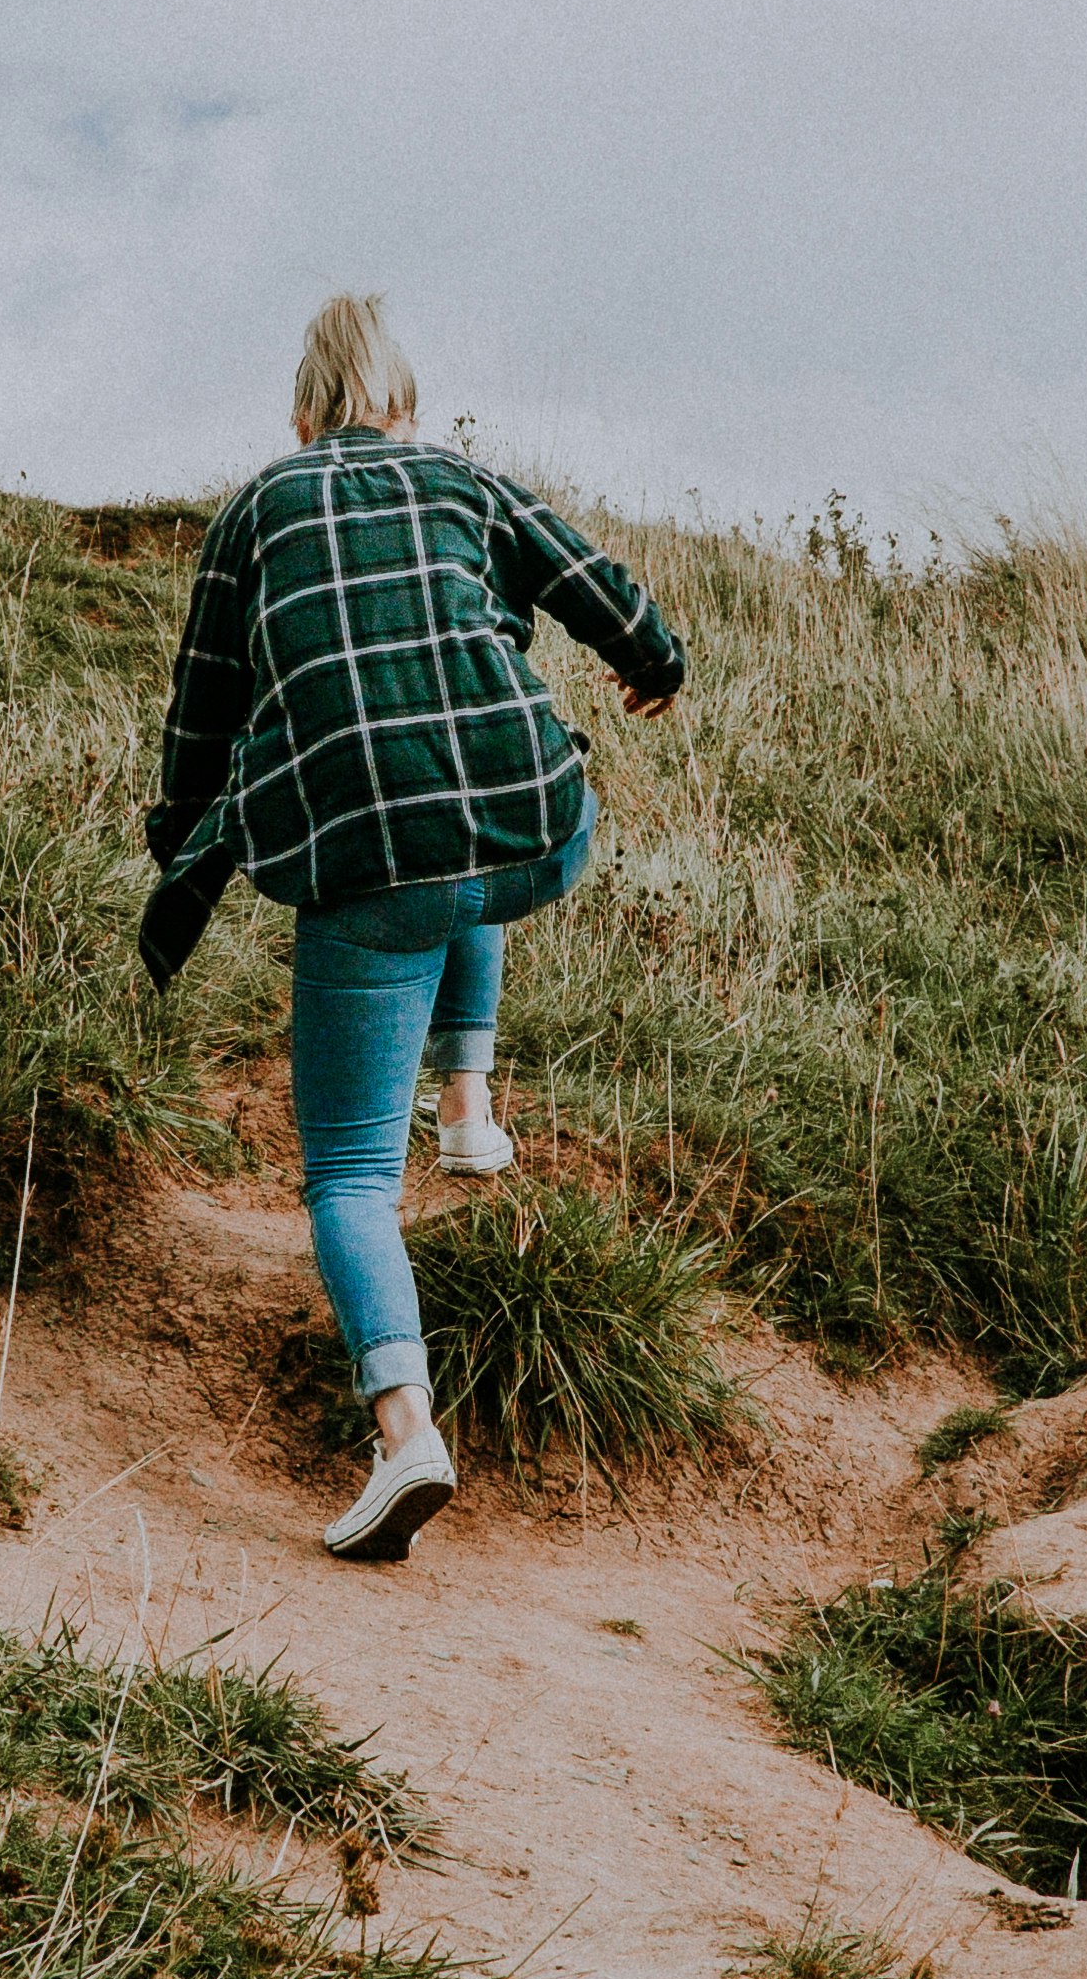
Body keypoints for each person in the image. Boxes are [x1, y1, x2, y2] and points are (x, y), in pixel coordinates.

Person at [139, 292, 689, 1563]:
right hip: (535, 831)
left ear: (298, 415)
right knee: (466, 835)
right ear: (405, 405)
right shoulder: (464, 477)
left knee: (343, 1178)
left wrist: (182, 849)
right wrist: (653, 664)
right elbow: (599, 587)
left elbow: (202, 707)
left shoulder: (254, 514)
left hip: (368, 873)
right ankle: (469, 1106)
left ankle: (406, 1438)